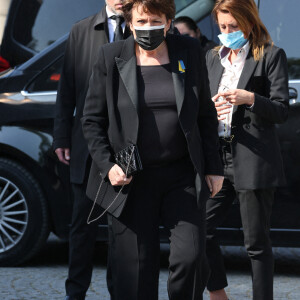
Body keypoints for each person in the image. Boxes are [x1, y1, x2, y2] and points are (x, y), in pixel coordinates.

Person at [81, 0, 224, 299]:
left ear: (169, 21)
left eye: (155, 21)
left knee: (192, 257)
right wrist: (109, 166)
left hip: (182, 175)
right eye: (141, 22)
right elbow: (92, 120)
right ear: (130, 24)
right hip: (132, 179)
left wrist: (214, 167)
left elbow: (205, 116)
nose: (148, 28)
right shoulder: (111, 56)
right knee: (134, 270)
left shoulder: (188, 51)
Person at [204, 0, 289, 299]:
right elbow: (202, 104)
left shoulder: (270, 55)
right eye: (222, 27)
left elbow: (281, 110)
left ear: (249, 24)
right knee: (200, 229)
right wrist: (209, 109)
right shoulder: (213, 57)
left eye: (233, 27)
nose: (227, 32)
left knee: (256, 243)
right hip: (218, 158)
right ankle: (217, 293)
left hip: (253, 159)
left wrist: (249, 98)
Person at [52, 1, 131, 299]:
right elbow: (67, 90)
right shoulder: (81, 30)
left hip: (127, 147)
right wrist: (61, 137)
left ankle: (120, 292)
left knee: (121, 231)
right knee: (81, 227)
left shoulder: (140, 26)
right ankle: (75, 293)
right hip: (86, 146)